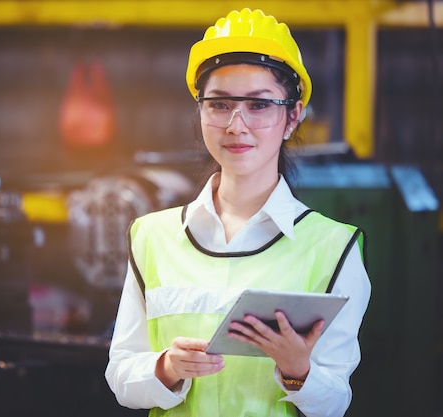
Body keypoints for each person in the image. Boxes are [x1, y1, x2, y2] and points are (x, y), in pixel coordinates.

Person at [105, 8, 371, 417]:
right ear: (200, 110)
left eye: (259, 106)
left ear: (292, 116)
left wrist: (297, 370)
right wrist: (167, 367)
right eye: (220, 104)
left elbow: (335, 402)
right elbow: (121, 376)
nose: (236, 124)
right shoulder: (151, 237)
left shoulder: (334, 247)